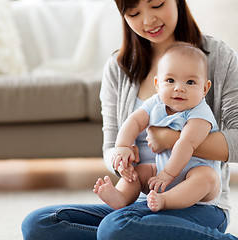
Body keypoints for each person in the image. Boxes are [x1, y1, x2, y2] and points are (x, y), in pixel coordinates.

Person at [22, 0, 238, 239]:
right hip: (138, 202)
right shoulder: (118, 68)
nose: (148, 21)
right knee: (39, 224)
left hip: (199, 206)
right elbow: (111, 145)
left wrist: (170, 139)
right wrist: (121, 160)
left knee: (115, 228)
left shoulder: (219, 57)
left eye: (157, 5)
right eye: (134, 12)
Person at [93, 42, 221, 212]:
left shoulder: (200, 112)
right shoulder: (156, 102)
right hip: (160, 172)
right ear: (157, 84)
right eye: (170, 80)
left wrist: (168, 174)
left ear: (205, 88)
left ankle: (165, 201)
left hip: (193, 179)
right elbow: (134, 121)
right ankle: (121, 196)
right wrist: (123, 147)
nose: (179, 88)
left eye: (190, 82)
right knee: (138, 172)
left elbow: (186, 143)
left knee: (207, 177)